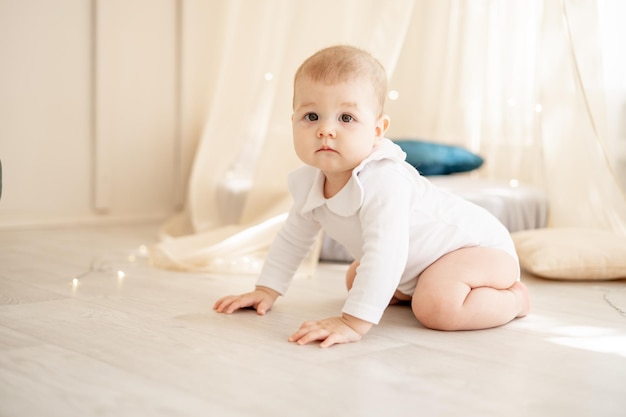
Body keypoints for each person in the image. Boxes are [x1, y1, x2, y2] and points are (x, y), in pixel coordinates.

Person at [214, 45, 530, 348]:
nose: (326, 130)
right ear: (293, 121)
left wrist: (353, 322)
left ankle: (514, 299)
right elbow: (293, 238)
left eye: (346, 118)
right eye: (312, 117)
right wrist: (266, 289)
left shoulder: (384, 179)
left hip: (479, 251)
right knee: (357, 278)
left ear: (378, 130)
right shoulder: (309, 181)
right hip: (420, 264)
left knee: (436, 307)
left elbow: (386, 250)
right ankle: (414, 289)